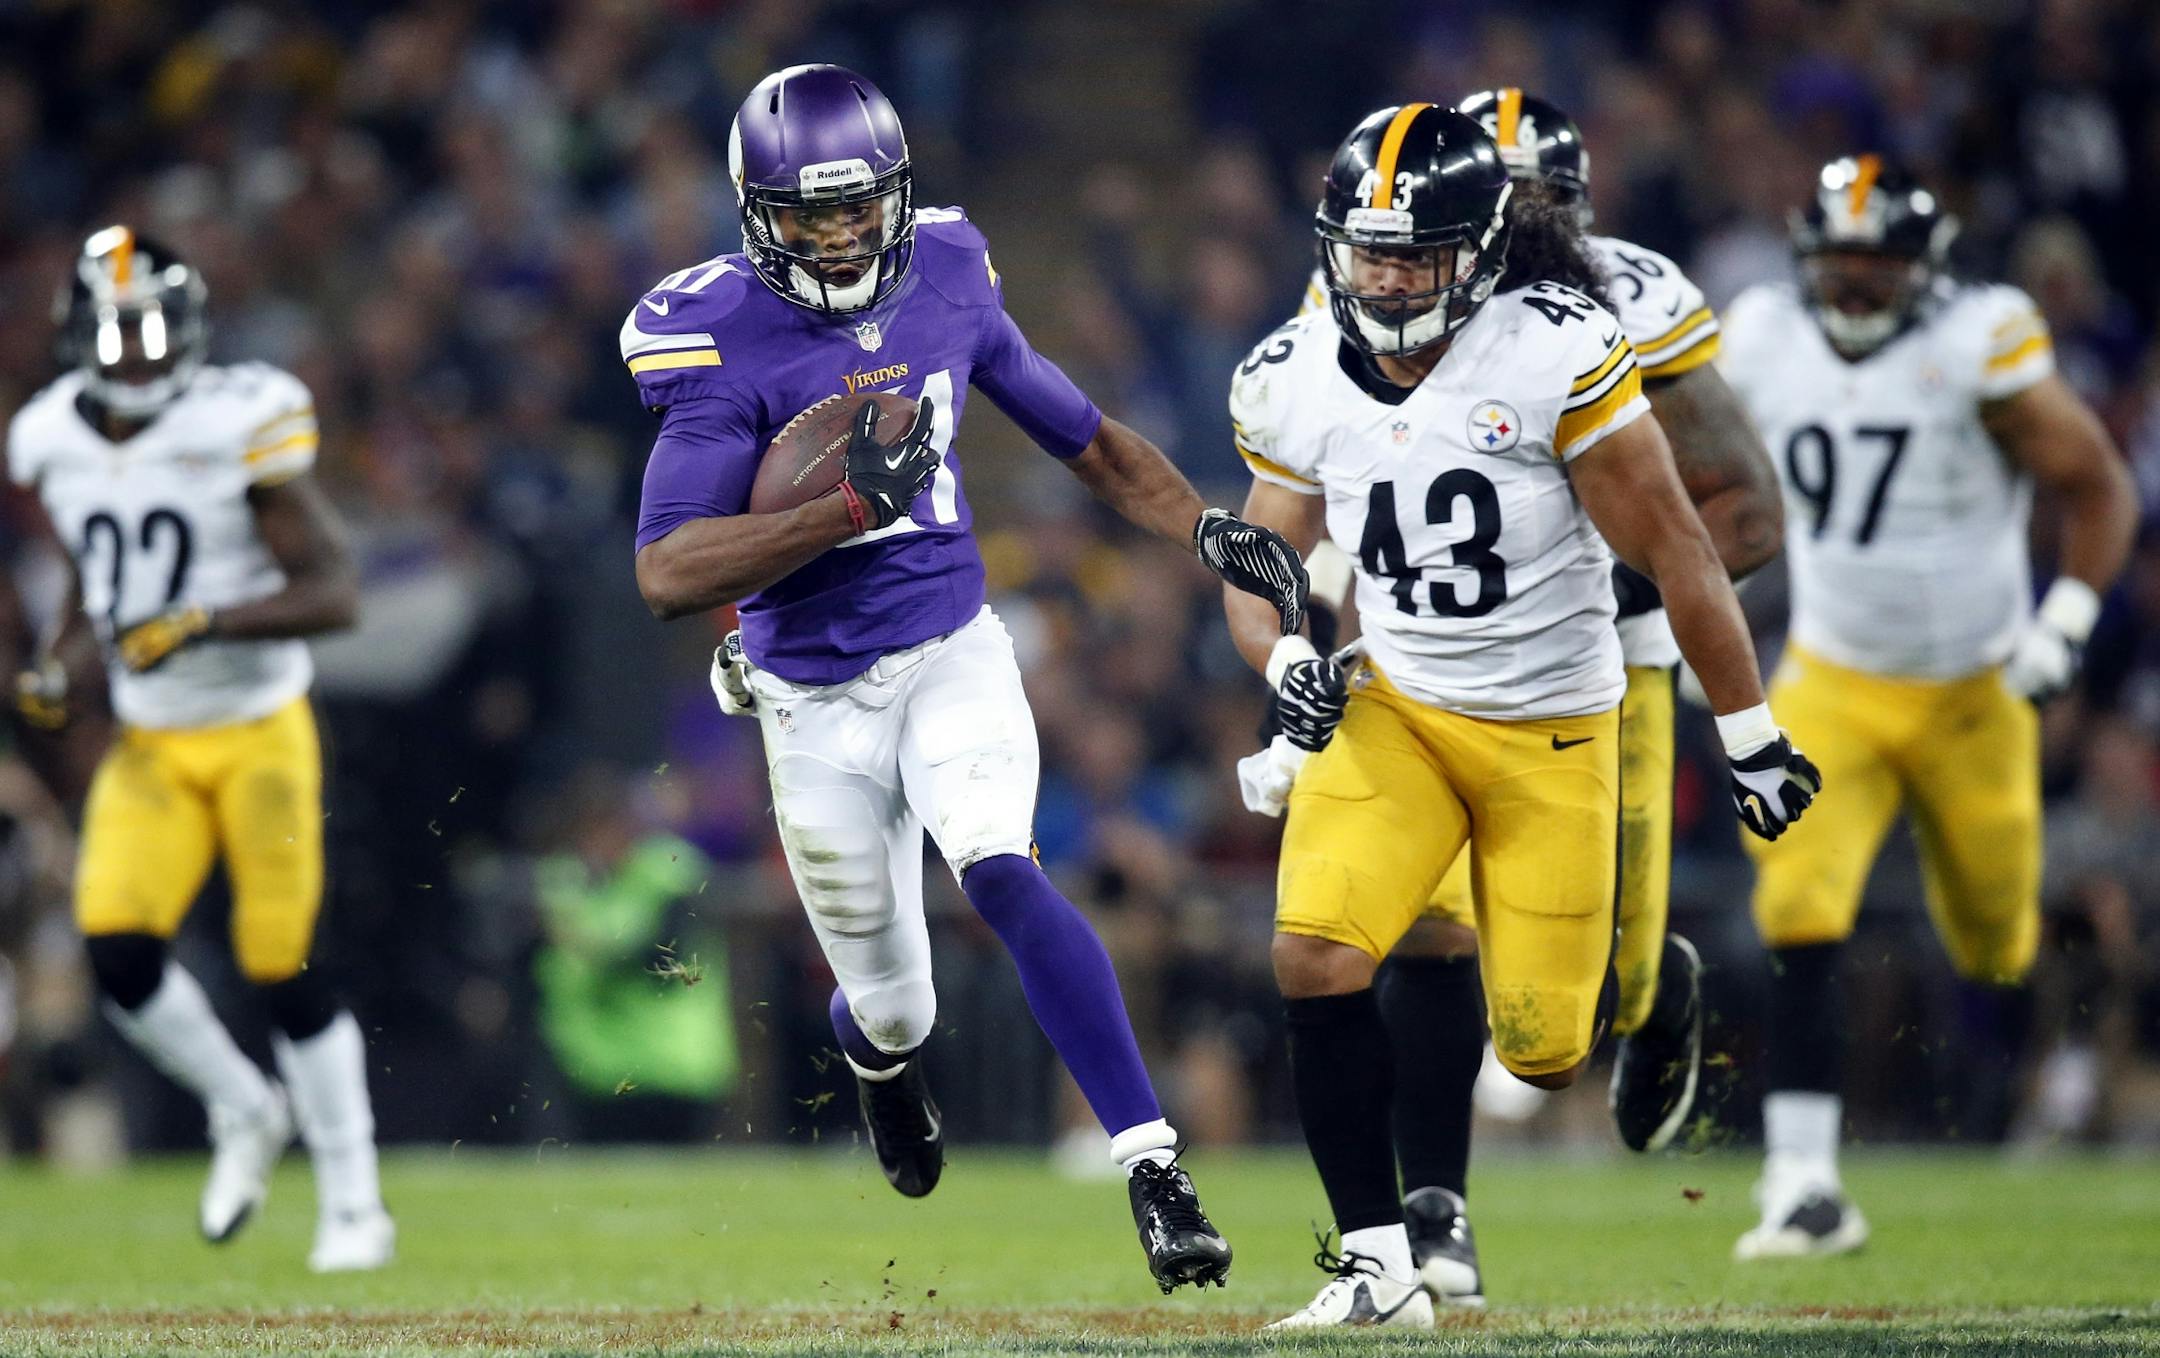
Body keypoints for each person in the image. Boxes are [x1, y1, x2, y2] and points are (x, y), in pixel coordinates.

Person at [624, 64, 1306, 1293]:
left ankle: (1152, 1165)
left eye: (856, 211)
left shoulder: (946, 270)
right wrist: (841, 510)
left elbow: (1084, 437)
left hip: (950, 646)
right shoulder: (718, 333)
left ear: (897, 196)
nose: (839, 241)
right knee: (892, 1010)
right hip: (812, 695)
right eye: (810, 219)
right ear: (754, 216)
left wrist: (1206, 532)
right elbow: (668, 570)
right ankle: (884, 1069)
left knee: (1000, 861)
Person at [1222, 104, 1819, 1330]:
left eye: (1417, 252)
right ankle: (1380, 1267)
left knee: (1544, 1045)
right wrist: (1285, 652)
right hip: (1398, 707)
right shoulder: (1293, 367)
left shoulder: (1554, 349)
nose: (1387, 277)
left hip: (1552, 723)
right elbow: (1261, 558)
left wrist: (1752, 734)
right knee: (1316, 948)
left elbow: (1685, 548)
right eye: (1368, 249)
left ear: (1481, 250)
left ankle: (1636, 983)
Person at [1720, 156, 2134, 1259]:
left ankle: (2066, 1074)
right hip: (1835, 673)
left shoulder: (1981, 340)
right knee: (1797, 900)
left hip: (1975, 687)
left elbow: (2097, 483)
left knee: (1995, 935)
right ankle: (1802, 1180)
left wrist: (2065, 624)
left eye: (1877, 269)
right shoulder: (1759, 334)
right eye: (1838, 268)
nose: (1853, 291)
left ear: (1924, 269)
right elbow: (1683, 472)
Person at [5, 227, 392, 1271]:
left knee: (283, 961)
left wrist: (205, 623)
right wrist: (57, 660)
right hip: (152, 737)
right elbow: (100, 583)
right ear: (78, 335)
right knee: (118, 950)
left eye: (154, 327)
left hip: (259, 724)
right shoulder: (49, 436)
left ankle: (355, 1198)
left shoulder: (239, 419)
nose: (138, 350)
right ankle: (243, 1105)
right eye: (119, 330)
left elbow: (337, 589)